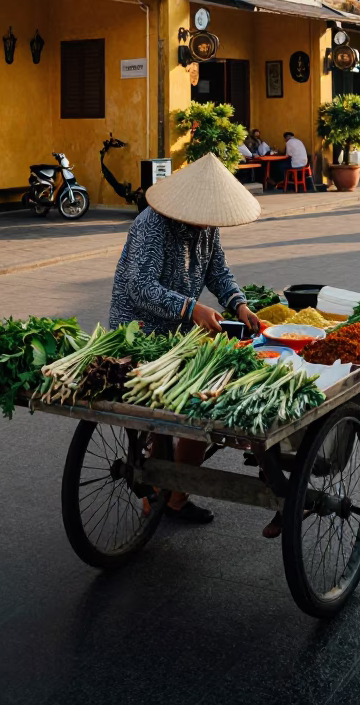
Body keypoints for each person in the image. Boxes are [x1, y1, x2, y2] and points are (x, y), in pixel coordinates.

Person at [109, 153, 262, 523]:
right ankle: (158, 488)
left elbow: (218, 271)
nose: (206, 222)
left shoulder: (207, 228)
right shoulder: (151, 225)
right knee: (176, 412)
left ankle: (175, 498)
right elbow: (139, 287)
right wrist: (191, 309)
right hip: (139, 333)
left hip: (178, 334)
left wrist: (239, 305)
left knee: (200, 410)